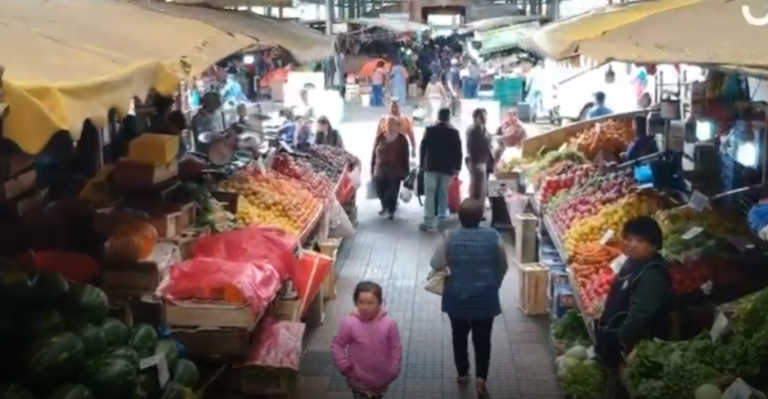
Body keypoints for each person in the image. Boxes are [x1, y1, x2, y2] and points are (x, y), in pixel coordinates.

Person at [430, 198, 509, 399]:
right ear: (481, 217)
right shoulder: (494, 236)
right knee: (483, 340)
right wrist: (495, 283)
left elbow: (436, 263)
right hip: (485, 298)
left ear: (460, 217)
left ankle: (463, 373)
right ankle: (481, 378)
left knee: (459, 335)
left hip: (457, 297)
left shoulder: (450, 237)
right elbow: (503, 265)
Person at [596, 216, 671, 398]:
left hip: (634, 345)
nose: (632, 245)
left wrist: (620, 340)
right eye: (629, 239)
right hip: (617, 336)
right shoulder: (633, 262)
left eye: (640, 241)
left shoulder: (653, 273)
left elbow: (640, 314)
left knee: (622, 389)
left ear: (654, 245)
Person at [331, 281, 402, 399]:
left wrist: (393, 370)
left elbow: (395, 347)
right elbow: (337, 345)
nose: (365, 307)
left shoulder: (390, 324)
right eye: (361, 302)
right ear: (356, 302)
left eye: (370, 303)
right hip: (358, 381)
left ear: (379, 303)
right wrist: (345, 366)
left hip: (382, 381)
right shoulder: (349, 323)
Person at [419, 108, 462, 232]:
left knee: (430, 193)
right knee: (443, 193)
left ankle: (428, 220)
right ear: (448, 118)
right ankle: (442, 220)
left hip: (431, 166)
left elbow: (423, 148)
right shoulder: (454, 133)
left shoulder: (430, 130)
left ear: (438, 117)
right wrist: (457, 168)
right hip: (446, 168)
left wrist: (422, 164)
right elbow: (458, 152)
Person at [371, 117, 410, 219]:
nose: (389, 126)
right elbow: (373, 154)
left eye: (392, 124)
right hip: (380, 170)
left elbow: (406, 156)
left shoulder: (402, 140)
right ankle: (385, 207)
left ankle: (390, 210)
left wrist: (406, 171)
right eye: (388, 124)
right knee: (380, 191)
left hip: (395, 172)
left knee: (392, 192)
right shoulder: (380, 137)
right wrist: (372, 169)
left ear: (397, 126)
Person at [466, 108, 493, 201]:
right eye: (482, 116)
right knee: (476, 186)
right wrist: (478, 161)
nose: (485, 118)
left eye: (485, 116)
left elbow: (488, 145)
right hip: (476, 162)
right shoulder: (473, 130)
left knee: (482, 187)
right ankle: (474, 204)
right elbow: (471, 147)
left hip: (484, 162)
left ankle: (480, 205)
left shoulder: (485, 130)